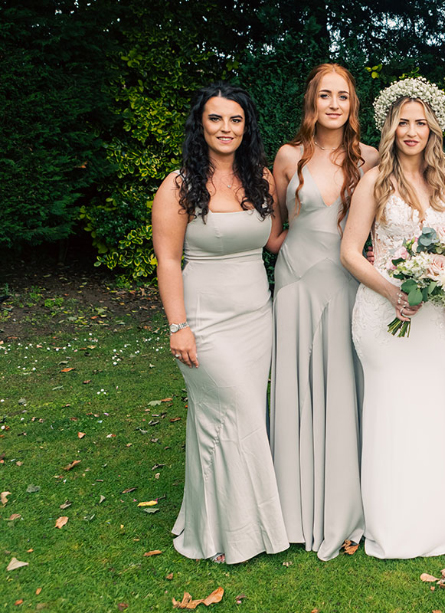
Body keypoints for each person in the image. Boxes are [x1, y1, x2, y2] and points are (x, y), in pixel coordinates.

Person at [151, 82, 289, 564]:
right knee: (236, 415)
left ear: (246, 126)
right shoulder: (179, 185)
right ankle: (239, 531)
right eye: (216, 118)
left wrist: (335, 226)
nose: (226, 128)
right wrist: (178, 326)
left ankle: (226, 521)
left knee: (240, 414)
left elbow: (274, 242)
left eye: (235, 119)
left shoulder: (262, 179)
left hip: (257, 318)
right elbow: (168, 260)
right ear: (200, 124)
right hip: (204, 321)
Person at [340, 77, 445, 559]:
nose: (412, 131)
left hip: (433, 317)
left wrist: (443, 276)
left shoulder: (444, 181)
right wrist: (393, 291)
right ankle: (394, 523)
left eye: (420, 122)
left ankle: (443, 520)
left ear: (432, 128)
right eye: (403, 122)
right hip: (382, 313)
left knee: (434, 408)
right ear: (390, 127)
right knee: (392, 411)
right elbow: (351, 253)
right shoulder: (375, 180)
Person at [268, 64, 379, 561]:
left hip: (346, 282)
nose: (335, 104)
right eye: (325, 96)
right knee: (296, 384)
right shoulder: (289, 157)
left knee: (342, 380)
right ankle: (291, 509)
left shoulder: (372, 158)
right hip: (295, 281)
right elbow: (273, 230)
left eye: (344, 96)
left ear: (353, 105)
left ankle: (343, 502)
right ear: (311, 102)